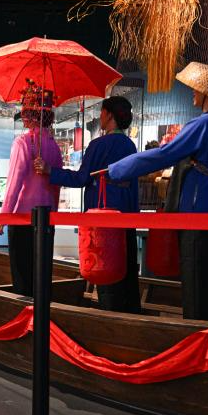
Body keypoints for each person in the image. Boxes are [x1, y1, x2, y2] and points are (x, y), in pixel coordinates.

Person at [106, 56, 208, 321]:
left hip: (199, 214)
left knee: (197, 293)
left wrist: (117, 169)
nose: (193, 91)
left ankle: (198, 343)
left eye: (197, 87)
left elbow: (164, 155)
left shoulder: (203, 124)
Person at [34, 96, 141, 313]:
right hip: (125, 216)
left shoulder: (98, 145)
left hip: (101, 217)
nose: (99, 116)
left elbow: (82, 179)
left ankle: (108, 317)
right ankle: (130, 315)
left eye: (101, 112)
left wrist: (50, 171)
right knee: (126, 269)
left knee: (105, 269)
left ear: (109, 115)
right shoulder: (130, 145)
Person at [0, 80, 62, 296]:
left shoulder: (23, 142)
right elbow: (56, 186)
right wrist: (54, 214)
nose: (23, 118)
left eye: (25, 113)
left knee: (22, 274)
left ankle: (26, 314)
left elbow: (14, 181)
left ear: (30, 115)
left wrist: (4, 216)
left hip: (23, 218)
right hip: (47, 217)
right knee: (42, 273)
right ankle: (42, 312)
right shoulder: (54, 146)